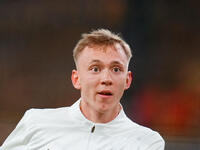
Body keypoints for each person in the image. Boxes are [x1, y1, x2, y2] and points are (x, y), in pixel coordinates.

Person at [0, 29, 165, 150]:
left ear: (127, 80)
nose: (106, 79)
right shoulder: (35, 122)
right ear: (76, 79)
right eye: (95, 68)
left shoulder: (147, 142)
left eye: (116, 69)